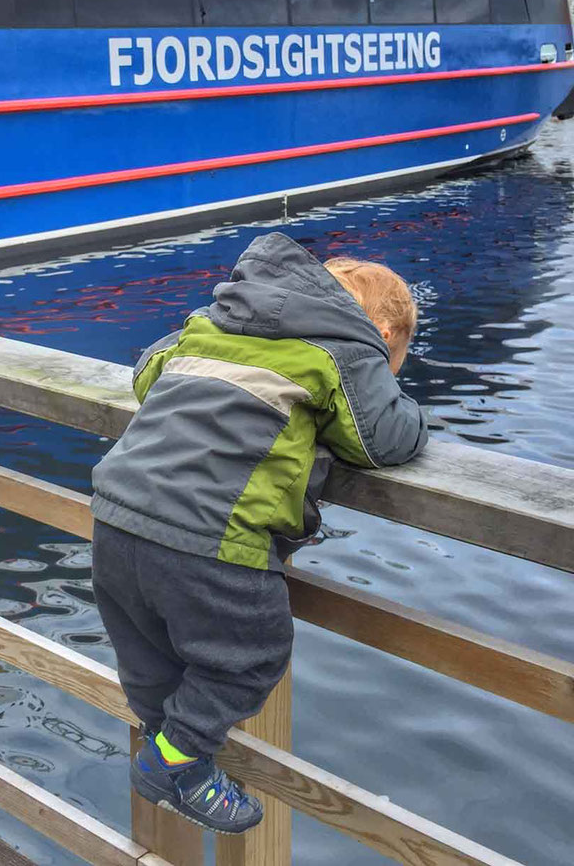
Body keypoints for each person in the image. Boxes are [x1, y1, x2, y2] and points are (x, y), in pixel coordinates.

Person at [91, 232, 426, 833]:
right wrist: (392, 390)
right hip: (213, 536)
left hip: (116, 513)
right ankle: (175, 760)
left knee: (147, 652)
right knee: (251, 654)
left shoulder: (212, 322)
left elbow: (146, 377)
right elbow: (384, 438)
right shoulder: (340, 351)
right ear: (380, 338)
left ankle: (170, 750)